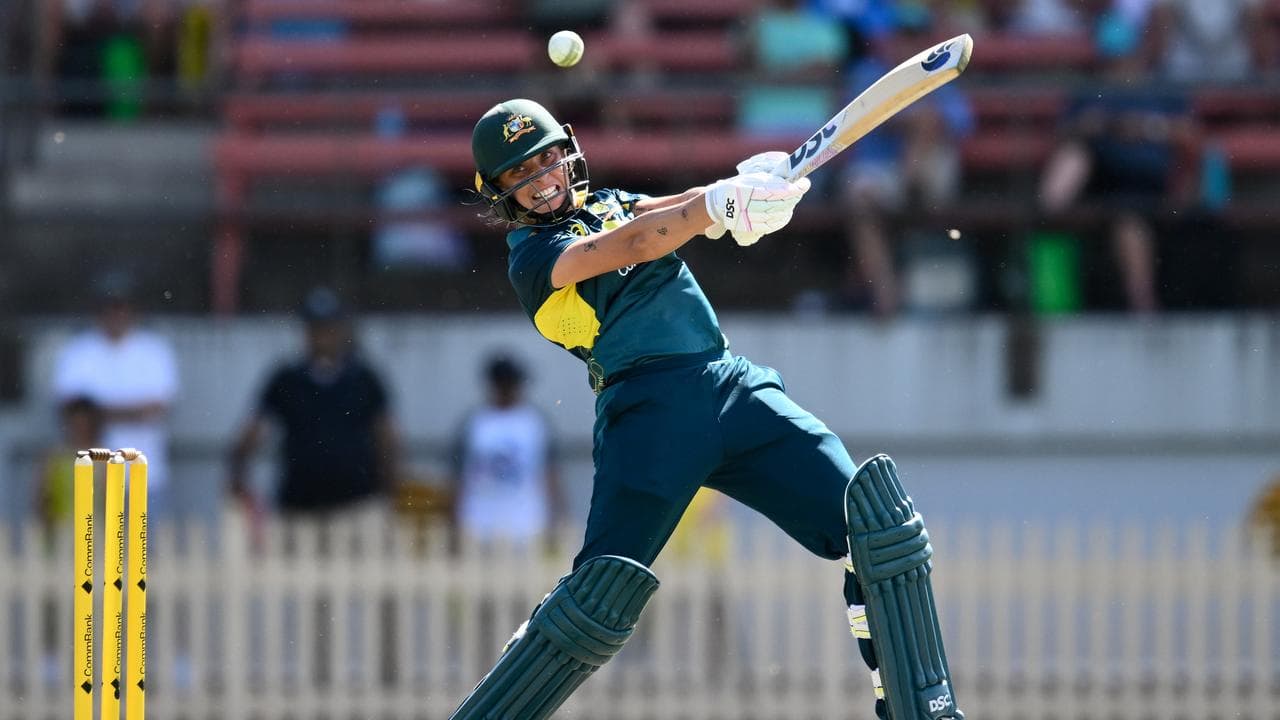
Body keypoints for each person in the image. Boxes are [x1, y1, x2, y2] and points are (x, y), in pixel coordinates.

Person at [450, 98, 965, 720]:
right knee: (595, 600)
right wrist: (714, 208)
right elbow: (640, 240)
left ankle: (922, 709)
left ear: (569, 152)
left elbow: (669, 210)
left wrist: (744, 187)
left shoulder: (606, 201)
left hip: (730, 386)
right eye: (520, 174)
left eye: (547, 159)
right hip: (648, 414)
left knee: (877, 527)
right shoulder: (532, 257)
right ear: (497, 191)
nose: (542, 180)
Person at [228, 288, 401, 530]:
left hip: (357, 506)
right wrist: (238, 474)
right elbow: (253, 431)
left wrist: (392, 488)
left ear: (341, 329)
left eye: (328, 327)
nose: (321, 336)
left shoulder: (364, 379)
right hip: (299, 508)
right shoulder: (286, 379)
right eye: (315, 328)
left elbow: (387, 436)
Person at [51, 270, 179, 518]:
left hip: (144, 473)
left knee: (144, 542)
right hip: (92, 476)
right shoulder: (78, 352)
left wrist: (97, 412)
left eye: (121, 306)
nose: (115, 314)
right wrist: (131, 412)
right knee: (90, 541)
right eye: (108, 307)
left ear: (133, 310)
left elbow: (156, 408)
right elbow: (71, 410)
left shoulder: (154, 351)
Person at [447, 354, 563, 553]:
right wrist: (453, 520)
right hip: (478, 524)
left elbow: (550, 474)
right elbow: (458, 477)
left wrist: (557, 516)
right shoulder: (475, 423)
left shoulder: (534, 422)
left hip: (527, 525)